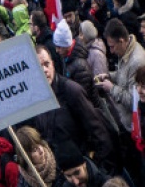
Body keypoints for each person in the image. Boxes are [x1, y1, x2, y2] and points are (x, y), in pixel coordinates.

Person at [33, 45, 116, 174]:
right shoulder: (37, 101)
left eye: (46, 64)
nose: (44, 70)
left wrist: (99, 171)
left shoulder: (71, 91)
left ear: (53, 64)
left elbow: (100, 134)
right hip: (67, 175)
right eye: (38, 67)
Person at [97, 18, 145, 129]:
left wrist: (111, 88)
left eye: (112, 46)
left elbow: (134, 101)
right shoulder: (125, 52)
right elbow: (124, 75)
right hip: (125, 121)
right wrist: (109, 76)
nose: (111, 51)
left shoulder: (137, 62)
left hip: (134, 127)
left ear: (121, 41)